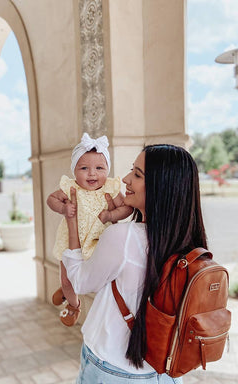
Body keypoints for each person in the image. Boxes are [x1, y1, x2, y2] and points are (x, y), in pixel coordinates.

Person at [61, 144, 207, 383]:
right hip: (166, 370)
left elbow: (80, 281)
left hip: (112, 368)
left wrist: (71, 224)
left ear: (162, 187)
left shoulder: (124, 237)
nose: (126, 179)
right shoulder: (192, 243)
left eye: (137, 175)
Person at [47, 133, 133, 326]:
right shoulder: (71, 188)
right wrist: (62, 208)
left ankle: (69, 289)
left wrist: (111, 216)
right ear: (74, 171)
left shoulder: (109, 189)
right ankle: (73, 304)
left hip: (98, 242)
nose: (92, 174)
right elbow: (51, 199)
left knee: (94, 279)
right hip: (69, 240)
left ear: (107, 170)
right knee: (67, 279)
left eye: (99, 168)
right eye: (84, 168)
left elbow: (126, 208)